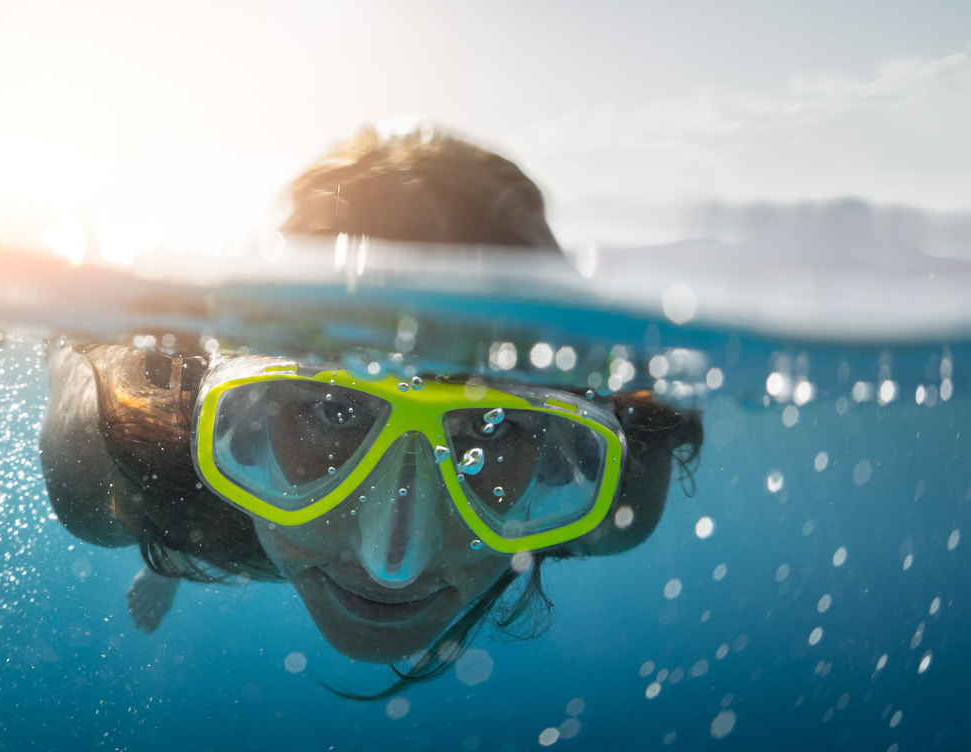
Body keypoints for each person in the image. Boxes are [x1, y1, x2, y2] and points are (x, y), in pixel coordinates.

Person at [39, 126, 702, 696]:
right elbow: (69, 348)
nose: (394, 565)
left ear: (565, 450)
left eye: (492, 426)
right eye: (331, 412)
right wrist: (167, 538)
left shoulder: (614, 499)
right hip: (177, 485)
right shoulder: (104, 470)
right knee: (154, 510)